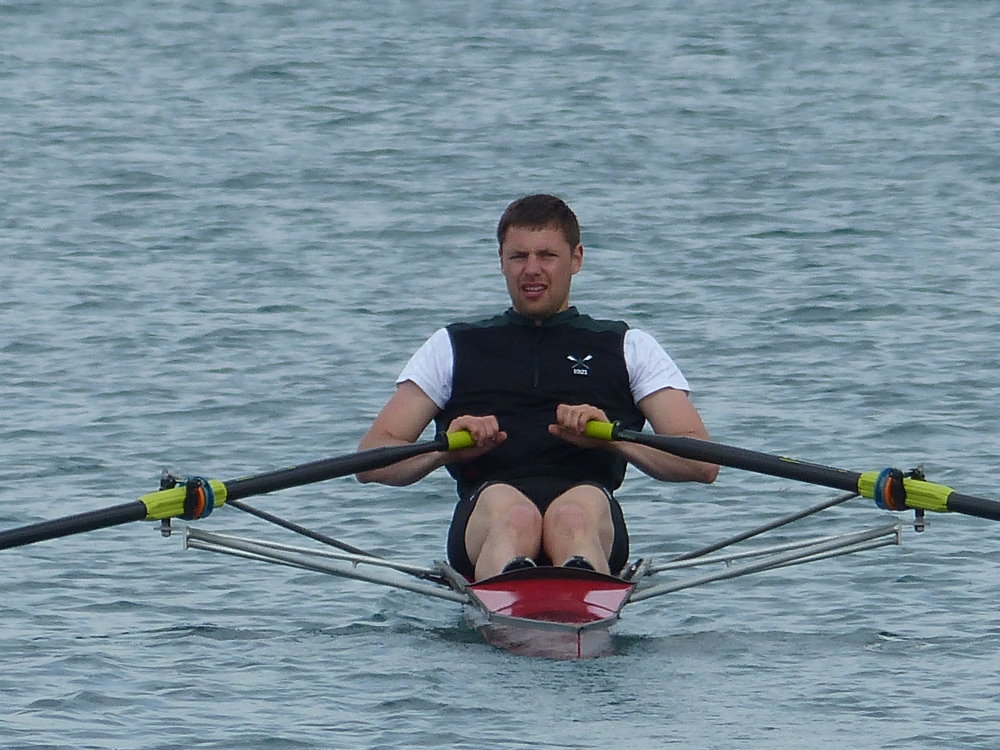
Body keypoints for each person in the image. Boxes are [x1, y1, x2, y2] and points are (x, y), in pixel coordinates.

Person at [357, 194, 718, 581]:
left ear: (576, 259)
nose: (531, 270)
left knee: (573, 514)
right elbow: (372, 461)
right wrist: (446, 449)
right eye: (518, 257)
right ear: (501, 261)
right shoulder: (451, 347)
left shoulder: (629, 346)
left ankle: (567, 589)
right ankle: (527, 588)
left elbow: (701, 462)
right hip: (488, 510)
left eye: (547, 255)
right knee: (515, 514)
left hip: (589, 508)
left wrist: (611, 439)